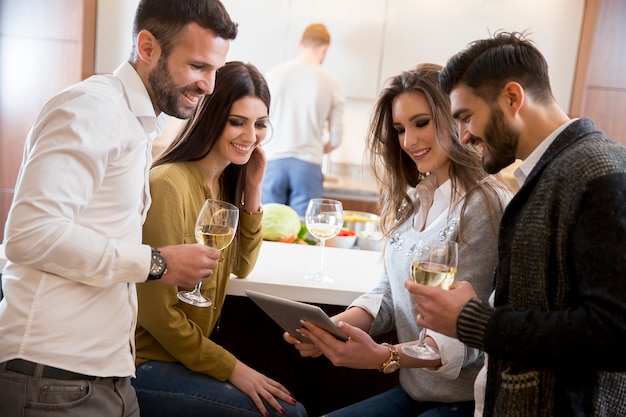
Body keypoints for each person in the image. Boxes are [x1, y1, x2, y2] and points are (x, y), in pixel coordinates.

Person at [0, 1, 238, 416]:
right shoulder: (92, 109)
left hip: (104, 376)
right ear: (148, 48)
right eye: (198, 66)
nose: (210, 86)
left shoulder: (136, 121)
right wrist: (158, 263)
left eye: (215, 69)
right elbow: (30, 235)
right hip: (53, 379)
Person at [405, 32, 626, 417]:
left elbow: (614, 332)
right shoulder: (549, 173)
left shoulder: (597, 172)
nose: (463, 136)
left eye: (466, 117)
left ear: (512, 98)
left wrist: (475, 321)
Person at [285, 63, 513, 417]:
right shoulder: (414, 197)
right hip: (416, 393)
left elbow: (468, 336)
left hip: (466, 403)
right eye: (400, 129)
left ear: (454, 116)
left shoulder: (483, 203)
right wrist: (338, 327)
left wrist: (383, 357)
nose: (408, 141)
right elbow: (391, 291)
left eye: (421, 123)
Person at [132, 61, 307, 417]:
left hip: (185, 359)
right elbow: (155, 311)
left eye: (260, 124)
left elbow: (240, 266)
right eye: (237, 121)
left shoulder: (224, 184)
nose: (251, 135)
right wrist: (234, 369)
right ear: (210, 117)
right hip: (145, 363)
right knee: (290, 414)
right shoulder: (168, 183)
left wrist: (253, 191)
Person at [261, 23, 345, 216]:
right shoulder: (332, 83)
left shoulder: (273, 75)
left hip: (272, 161)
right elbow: (336, 139)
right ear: (325, 49)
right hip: (308, 165)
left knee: (267, 226)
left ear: (300, 44)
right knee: (303, 232)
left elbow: (260, 121)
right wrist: (317, 148)